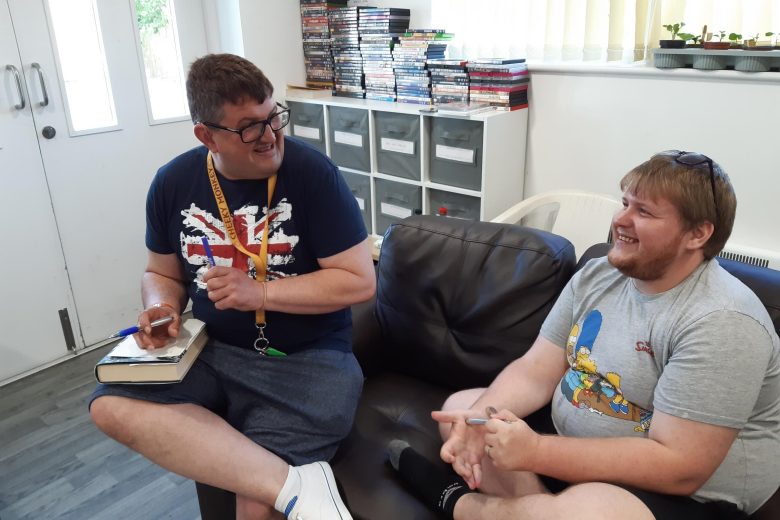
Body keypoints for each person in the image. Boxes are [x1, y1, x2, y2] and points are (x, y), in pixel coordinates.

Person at [389, 150, 780, 519]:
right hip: (574, 446)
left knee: (590, 510)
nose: (621, 220)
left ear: (697, 235)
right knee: (465, 409)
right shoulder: (599, 274)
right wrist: (478, 419)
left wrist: (537, 451)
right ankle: (541, 508)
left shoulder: (722, 321)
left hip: (683, 490)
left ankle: (463, 506)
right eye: (624, 202)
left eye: (643, 211)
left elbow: (680, 467)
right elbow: (535, 370)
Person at [89, 53, 375, 520]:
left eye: (272, 117)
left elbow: (360, 281)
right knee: (109, 406)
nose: (269, 137)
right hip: (213, 351)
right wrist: (161, 307)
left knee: (253, 509)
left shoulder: (313, 175)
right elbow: (160, 272)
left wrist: (260, 294)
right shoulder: (172, 182)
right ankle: (300, 487)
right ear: (206, 135)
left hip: (307, 362)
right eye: (248, 127)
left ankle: (283, 489)